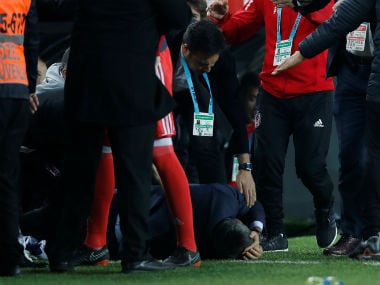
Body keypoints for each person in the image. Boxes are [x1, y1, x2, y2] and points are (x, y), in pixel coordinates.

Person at [46, 0, 192, 273]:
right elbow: (177, 17)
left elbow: (60, 8)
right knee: (133, 171)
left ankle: (62, 251)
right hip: (130, 77)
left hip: (86, 76)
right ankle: (135, 254)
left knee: (78, 170)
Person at [207, 0, 338, 252]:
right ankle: (275, 231)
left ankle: (324, 207)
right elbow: (239, 30)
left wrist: (298, 2)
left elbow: (329, 20)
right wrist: (223, 20)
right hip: (272, 91)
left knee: (310, 167)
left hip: (313, 91)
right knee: (266, 163)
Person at [271, 0, 380, 260]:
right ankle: (353, 233)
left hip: (376, 74)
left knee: (372, 158)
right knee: (351, 157)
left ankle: (372, 233)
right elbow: (327, 10)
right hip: (351, 72)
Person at [169, 19, 256, 207]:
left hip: (194, 96)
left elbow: (234, 109)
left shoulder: (221, 60)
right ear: (186, 49)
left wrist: (245, 166)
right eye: (202, 63)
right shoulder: (167, 42)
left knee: (207, 147)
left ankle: (219, 209)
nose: (208, 68)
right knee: (168, 149)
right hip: (160, 92)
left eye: (211, 64)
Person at [112, 183, 264, 261]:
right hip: (121, 237)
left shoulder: (225, 197)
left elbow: (253, 204)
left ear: (237, 220)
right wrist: (255, 233)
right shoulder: (194, 247)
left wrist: (255, 231)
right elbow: (253, 204)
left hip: (123, 200)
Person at [0, 0, 39, 277]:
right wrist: (30, 89)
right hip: (17, 89)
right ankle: (10, 257)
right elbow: (32, 40)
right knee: (7, 179)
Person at [226, 71, 260, 186]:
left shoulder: (261, 134)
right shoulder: (226, 128)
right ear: (241, 97)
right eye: (252, 99)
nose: (256, 107)